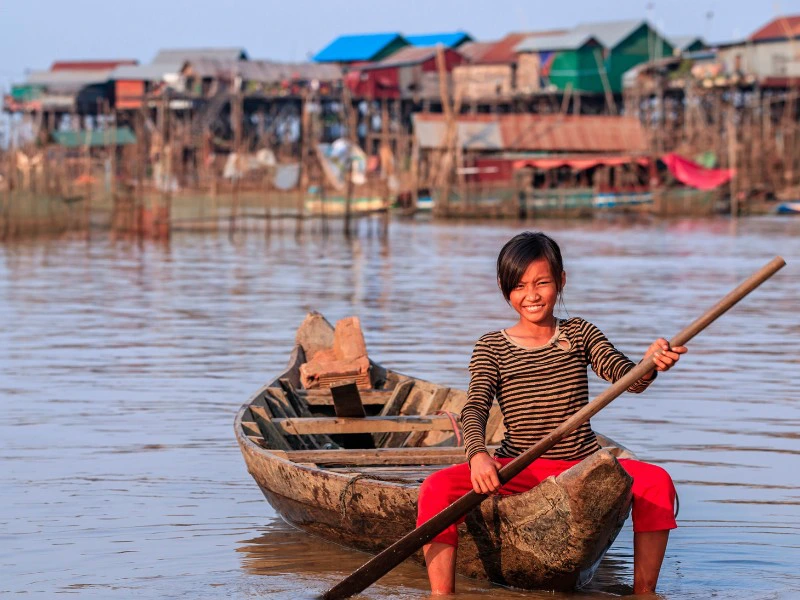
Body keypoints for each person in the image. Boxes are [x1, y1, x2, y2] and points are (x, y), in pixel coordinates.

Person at [416, 231, 686, 596]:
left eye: (542, 282)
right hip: (516, 468)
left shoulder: (580, 333)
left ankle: (644, 592)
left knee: (656, 482)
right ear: (504, 287)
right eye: (520, 286)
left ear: (561, 281)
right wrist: (478, 456)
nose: (531, 295)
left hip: (583, 467)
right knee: (434, 488)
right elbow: (475, 407)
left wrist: (651, 364)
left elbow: (628, 380)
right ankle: (441, 594)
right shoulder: (491, 346)